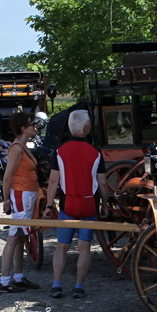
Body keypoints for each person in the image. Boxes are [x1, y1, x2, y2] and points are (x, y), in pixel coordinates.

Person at [48, 108, 102, 299]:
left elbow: (53, 181)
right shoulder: (96, 152)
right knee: (84, 247)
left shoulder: (60, 152)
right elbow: (101, 182)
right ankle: (79, 286)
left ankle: (56, 284)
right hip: (89, 205)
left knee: (62, 246)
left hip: (68, 204)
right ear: (86, 128)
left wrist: (48, 205)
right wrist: (107, 201)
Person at [0, 112, 40, 292]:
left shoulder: (23, 146)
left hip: (27, 193)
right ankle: (5, 280)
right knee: (14, 236)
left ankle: (18, 276)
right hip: (20, 194)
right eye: (31, 125)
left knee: (21, 236)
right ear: (23, 128)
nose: (35, 127)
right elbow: (7, 177)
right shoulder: (16, 148)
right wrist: (6, 199)